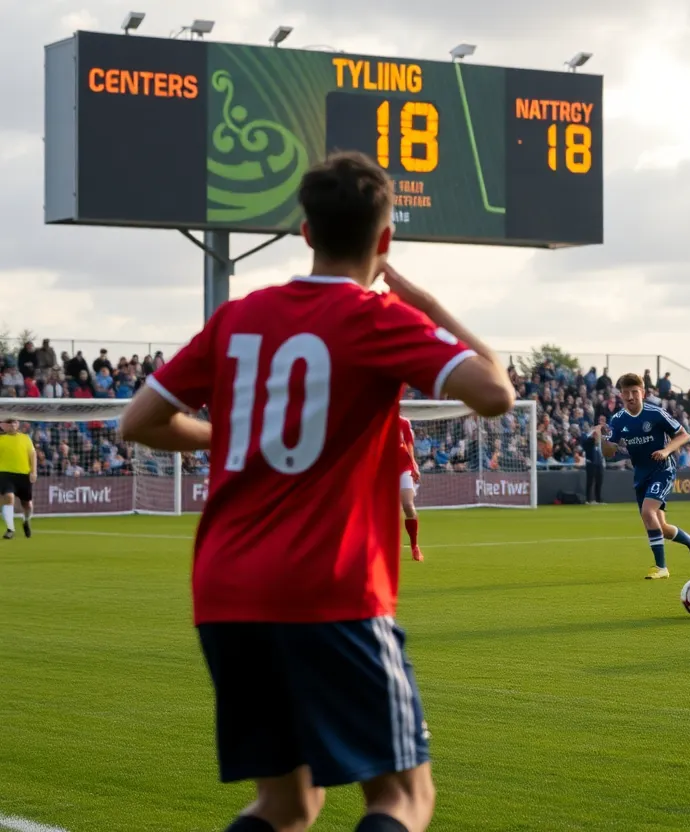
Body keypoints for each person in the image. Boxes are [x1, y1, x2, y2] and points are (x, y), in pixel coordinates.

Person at [119, 150, 515, 832]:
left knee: (287, 803)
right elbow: (496, 394)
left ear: (305, 231)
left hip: (226, 591)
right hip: (329, 590)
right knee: (402, 798)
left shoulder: (240, 317)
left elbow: (140, 421)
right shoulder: (378, 319)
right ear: (384, 241)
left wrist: (231, 439)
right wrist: (427, 305)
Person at [595, 373, 690, 579]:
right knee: (660, 527)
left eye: (634, 392)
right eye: (625, 393)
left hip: (662, 469)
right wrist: (603, 439)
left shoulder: (655, 413)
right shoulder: (618, 419)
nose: (630, 396)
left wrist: (665, 451)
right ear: (620, 395)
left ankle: (661, 567)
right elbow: (609, 453)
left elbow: (684, 435)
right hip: (641, 474)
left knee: (647, 512)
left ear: (643, 393)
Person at [0, 418, 36, 539]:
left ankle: (26, 521)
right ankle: (10, 528)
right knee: (9, 498)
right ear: (3, 425)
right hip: (5, 474)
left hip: (23, 475)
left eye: (14, 422)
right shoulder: (1, 438)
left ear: (18, 424)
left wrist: (33, 471)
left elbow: (33, 454)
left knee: (27, 504)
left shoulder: (25, 438)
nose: (12, 425)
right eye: (9, 422)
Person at [399, 415, 424, 561]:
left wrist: (414, 466)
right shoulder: (377, 422)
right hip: (384, 470)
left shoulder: (403, 422)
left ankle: (414, 546)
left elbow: (409, 445)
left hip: (404, 467)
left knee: (408, 505)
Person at [580, 415, 606, 504]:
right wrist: (592, 432)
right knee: (590, 482)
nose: (597, 435)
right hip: (591, 463)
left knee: (599, 481)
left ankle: (598, 499)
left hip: (599, 463)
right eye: (595, 435)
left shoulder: (598, 444)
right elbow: (585, 440)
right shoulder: (588, 442)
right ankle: (588, 499)